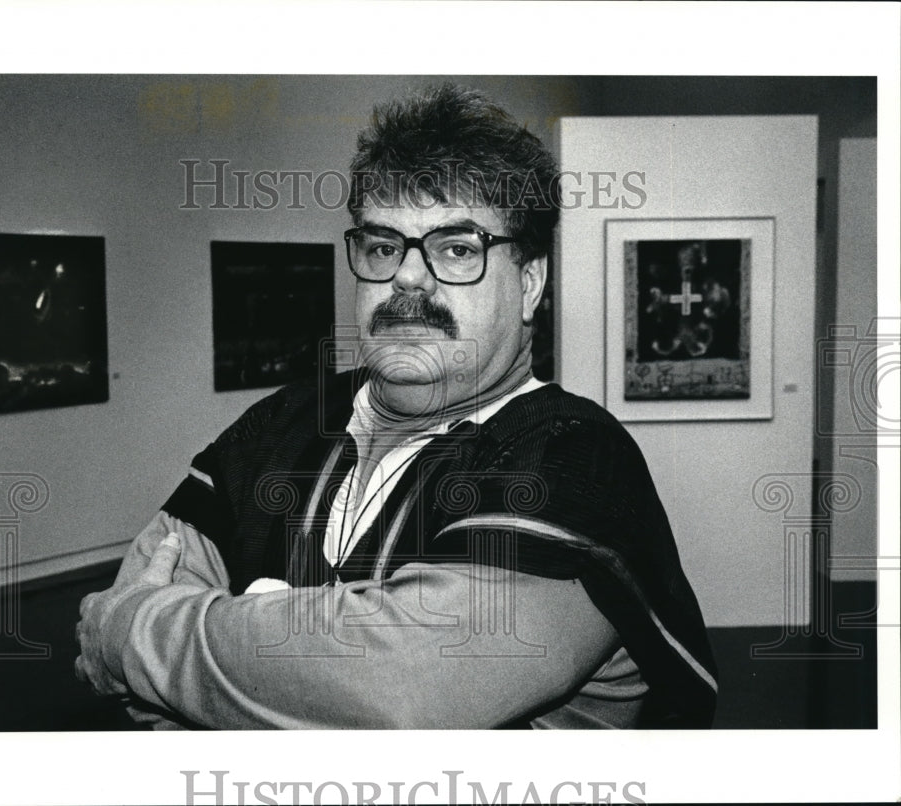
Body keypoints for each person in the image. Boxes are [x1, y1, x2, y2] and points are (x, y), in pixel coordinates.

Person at [75, 84, 718, 729]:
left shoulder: (574, 454)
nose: (407, 277)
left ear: (529, 284)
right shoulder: (282, 421)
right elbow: (148, 584)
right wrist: (237, 667)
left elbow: (398, 686)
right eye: (383, 246)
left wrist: (133, 639)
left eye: (457, 249)